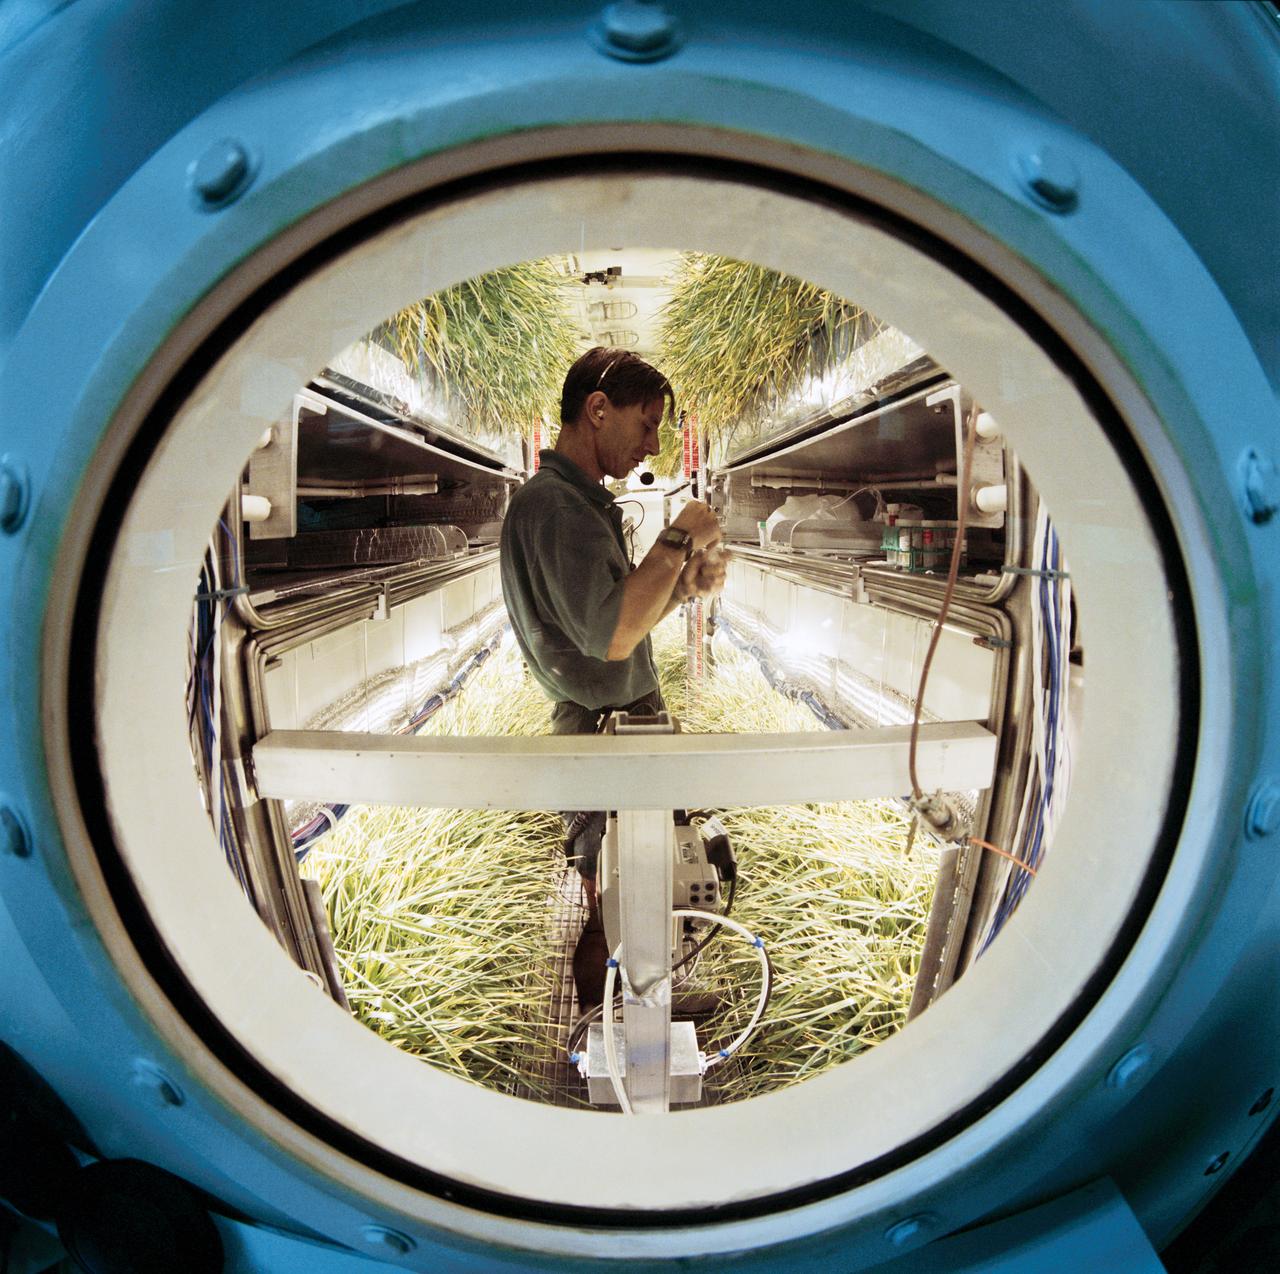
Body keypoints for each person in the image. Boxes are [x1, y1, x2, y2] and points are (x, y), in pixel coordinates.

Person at [500, 347, 724, 995]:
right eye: (648, 423)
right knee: (618, 905)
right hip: (602, 745)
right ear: (598, 410)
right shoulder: (557, 511)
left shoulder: (577, 504)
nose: (652, 446)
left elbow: (615, 615)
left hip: (616, 737)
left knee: (637, 894)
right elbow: (612, 634)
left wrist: (680, 588)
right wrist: (680, 535)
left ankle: (632, 1014)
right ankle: (613, 1025)